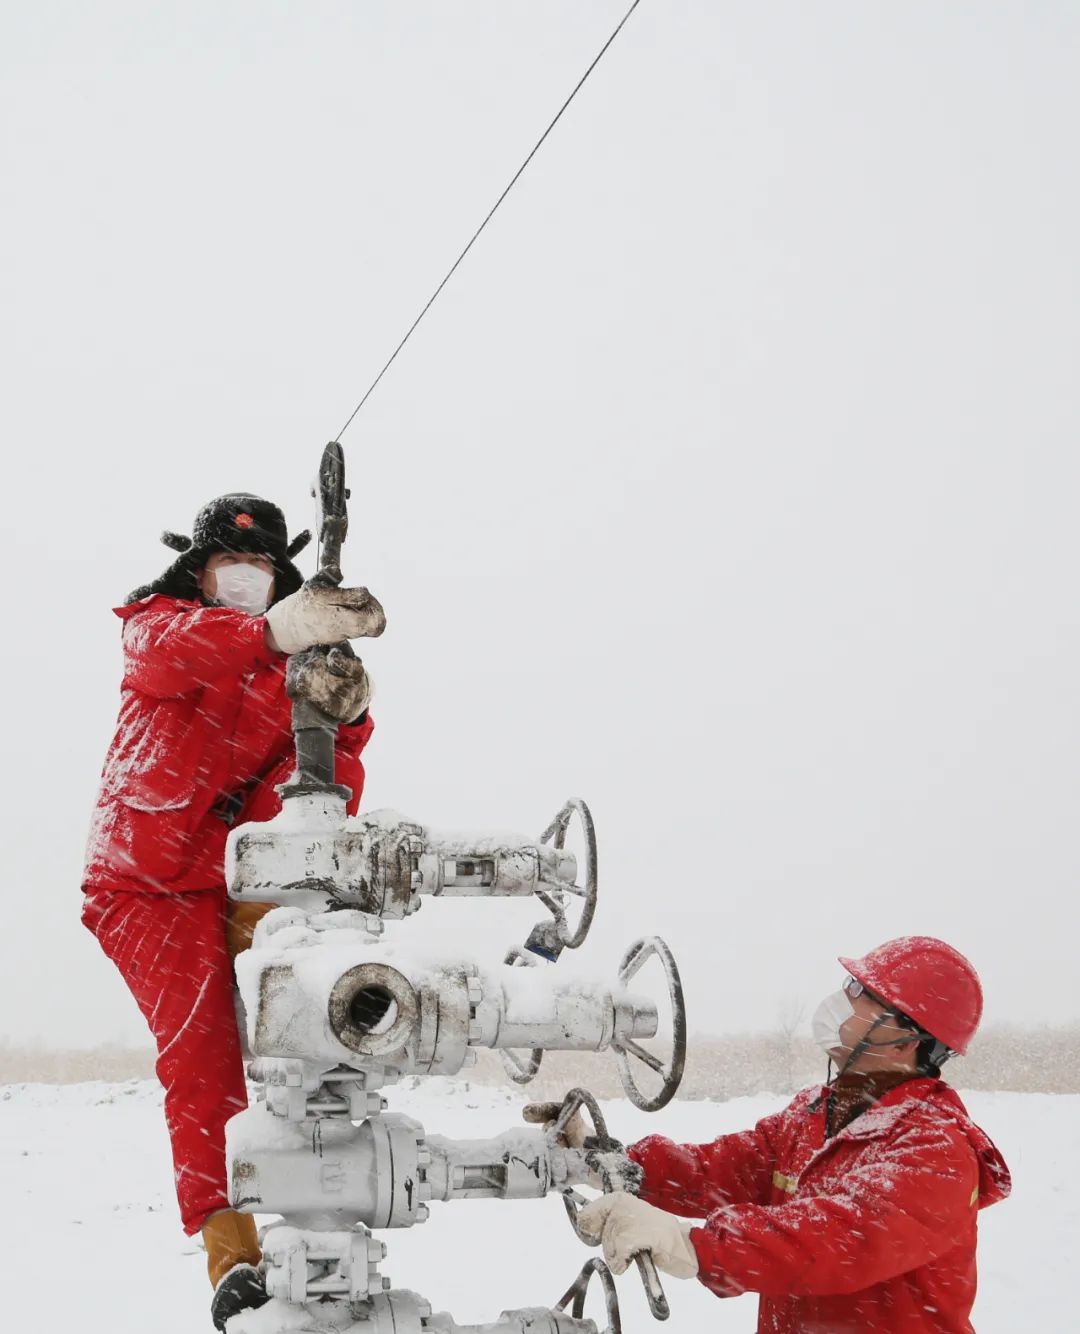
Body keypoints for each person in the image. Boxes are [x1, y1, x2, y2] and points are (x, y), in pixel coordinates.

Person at [81, 493, 385, 1329]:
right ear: (200, 570)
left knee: (315, 992)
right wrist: (277, 631)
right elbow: (172, 652)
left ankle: (338, 1179)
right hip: (144, 885)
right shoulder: (162, 627)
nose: (245, 582)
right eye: (231, 567)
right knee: (204, 1057)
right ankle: (233, 1256)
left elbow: (328, 780)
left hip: (241, 876)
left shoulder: (284, 668)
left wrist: (346, 713)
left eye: (260, 571)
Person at [538, 936, 1011, 1334]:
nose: (842, 1002)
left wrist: (694, 1246)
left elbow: (835, 1240)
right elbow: (716, 1171)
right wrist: (614, 1163)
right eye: (850, 985)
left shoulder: (934, 1148)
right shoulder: (813, 1114)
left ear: (906, 1039)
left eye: (862, 993)